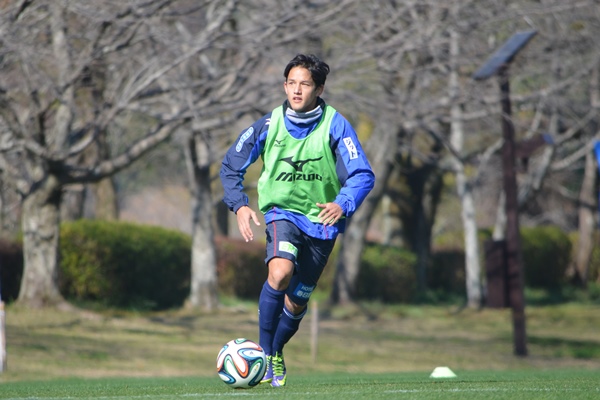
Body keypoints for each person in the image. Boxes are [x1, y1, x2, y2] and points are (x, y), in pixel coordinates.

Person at [220, 53, 375, 388]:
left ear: (319, 88)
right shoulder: (267, 124)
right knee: (280, 272)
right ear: (284, 85)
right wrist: (240, 206)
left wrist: (342, 203)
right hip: (281, 213)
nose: (297, 90)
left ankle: (276, 350)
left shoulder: (336, 124)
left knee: (297, 298)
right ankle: (262, 353)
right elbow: (231, 165)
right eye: (291, 83)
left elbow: (363, 174)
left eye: (305, 84)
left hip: (321, 222)